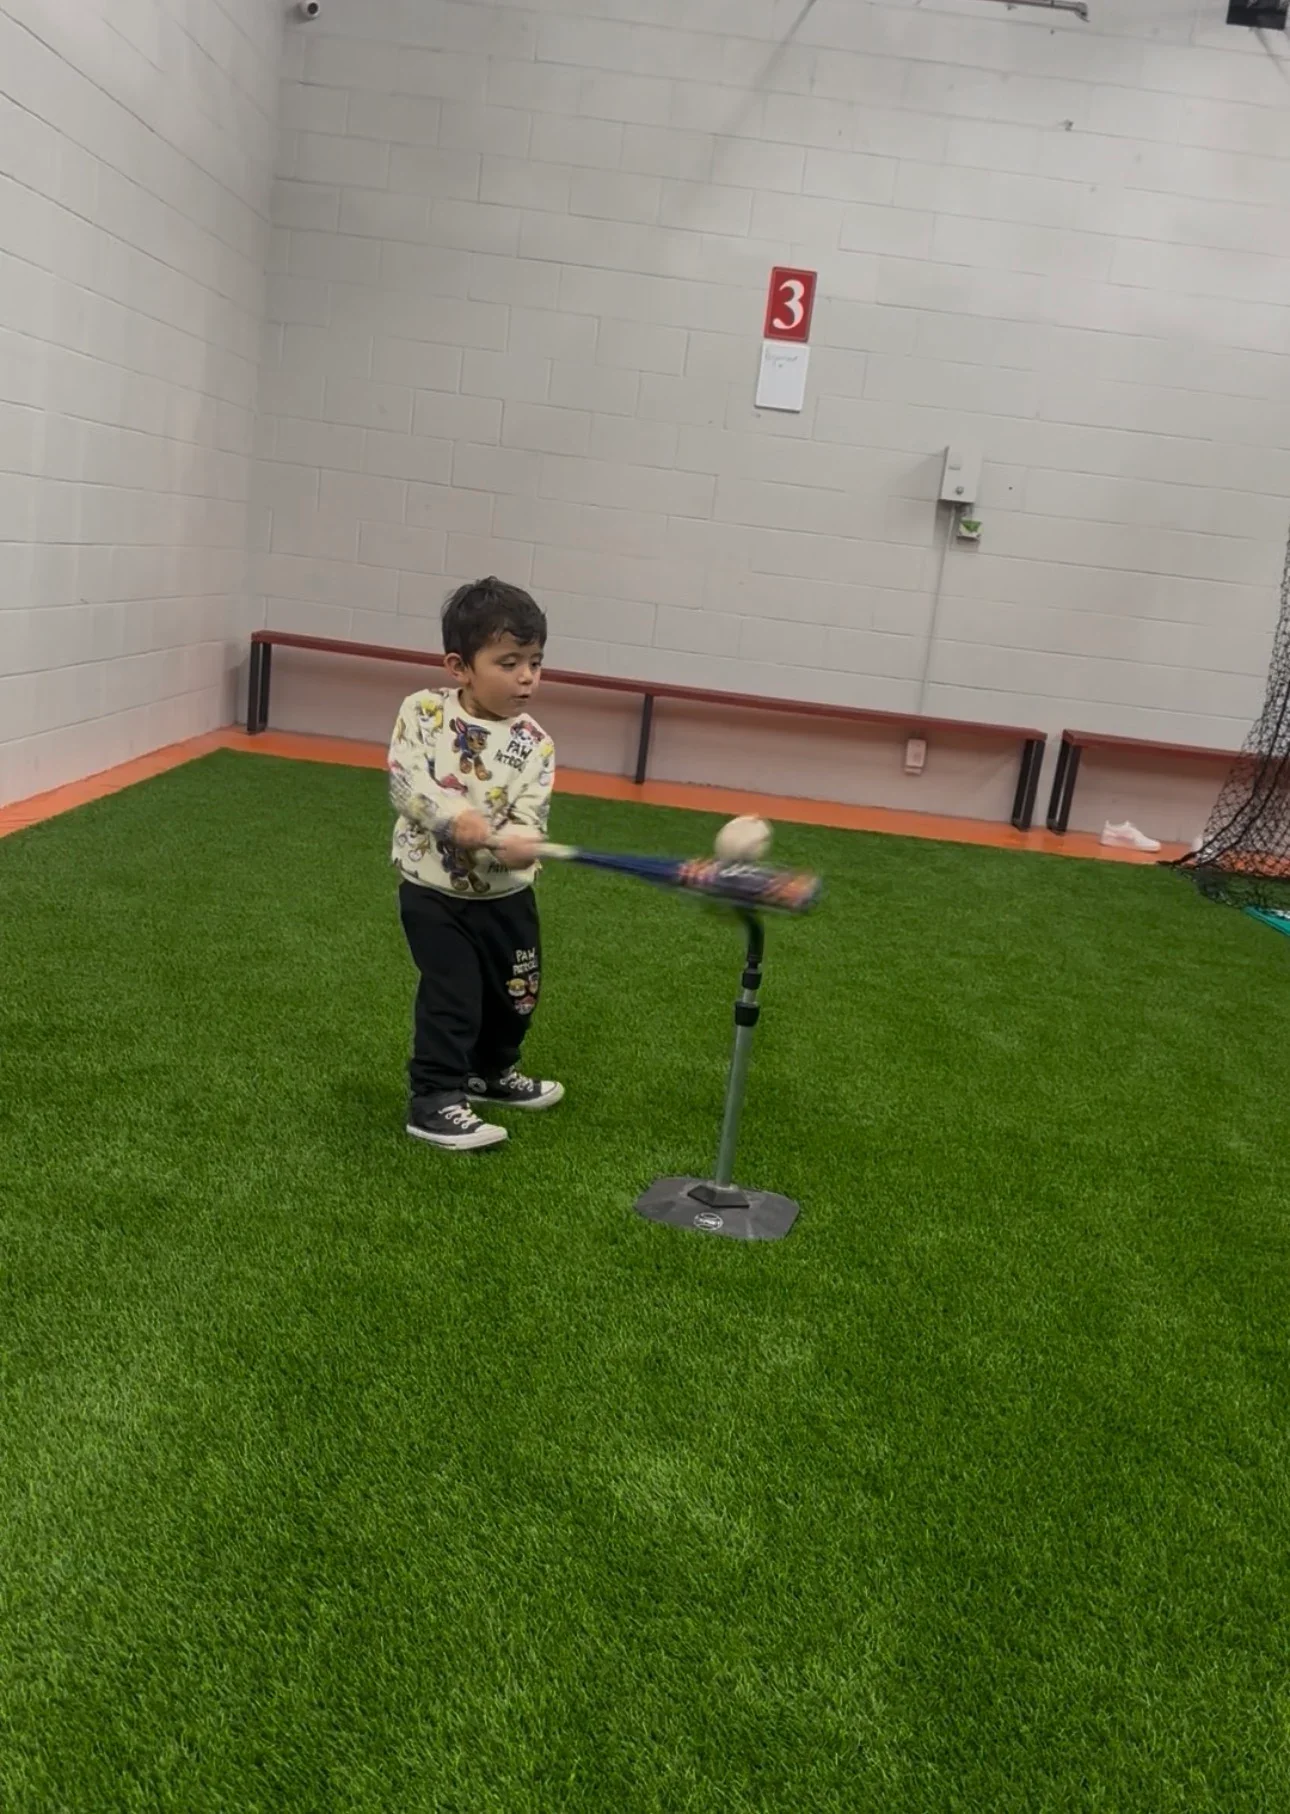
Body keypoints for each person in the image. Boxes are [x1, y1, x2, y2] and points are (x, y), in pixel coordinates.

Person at [388, 577, 562, 1151]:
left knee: (519, 994)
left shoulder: (536, 743)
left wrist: (523, 838)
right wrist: (454, 817)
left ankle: (490, 1072)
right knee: (454, 993)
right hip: (434, 893)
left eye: (535, 662)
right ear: (459, 667)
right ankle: (434, 1099)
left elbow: (530, 813)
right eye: (508, 663)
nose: (526, 677)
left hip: (506, 895)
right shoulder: (423, 713)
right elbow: (407, 784)